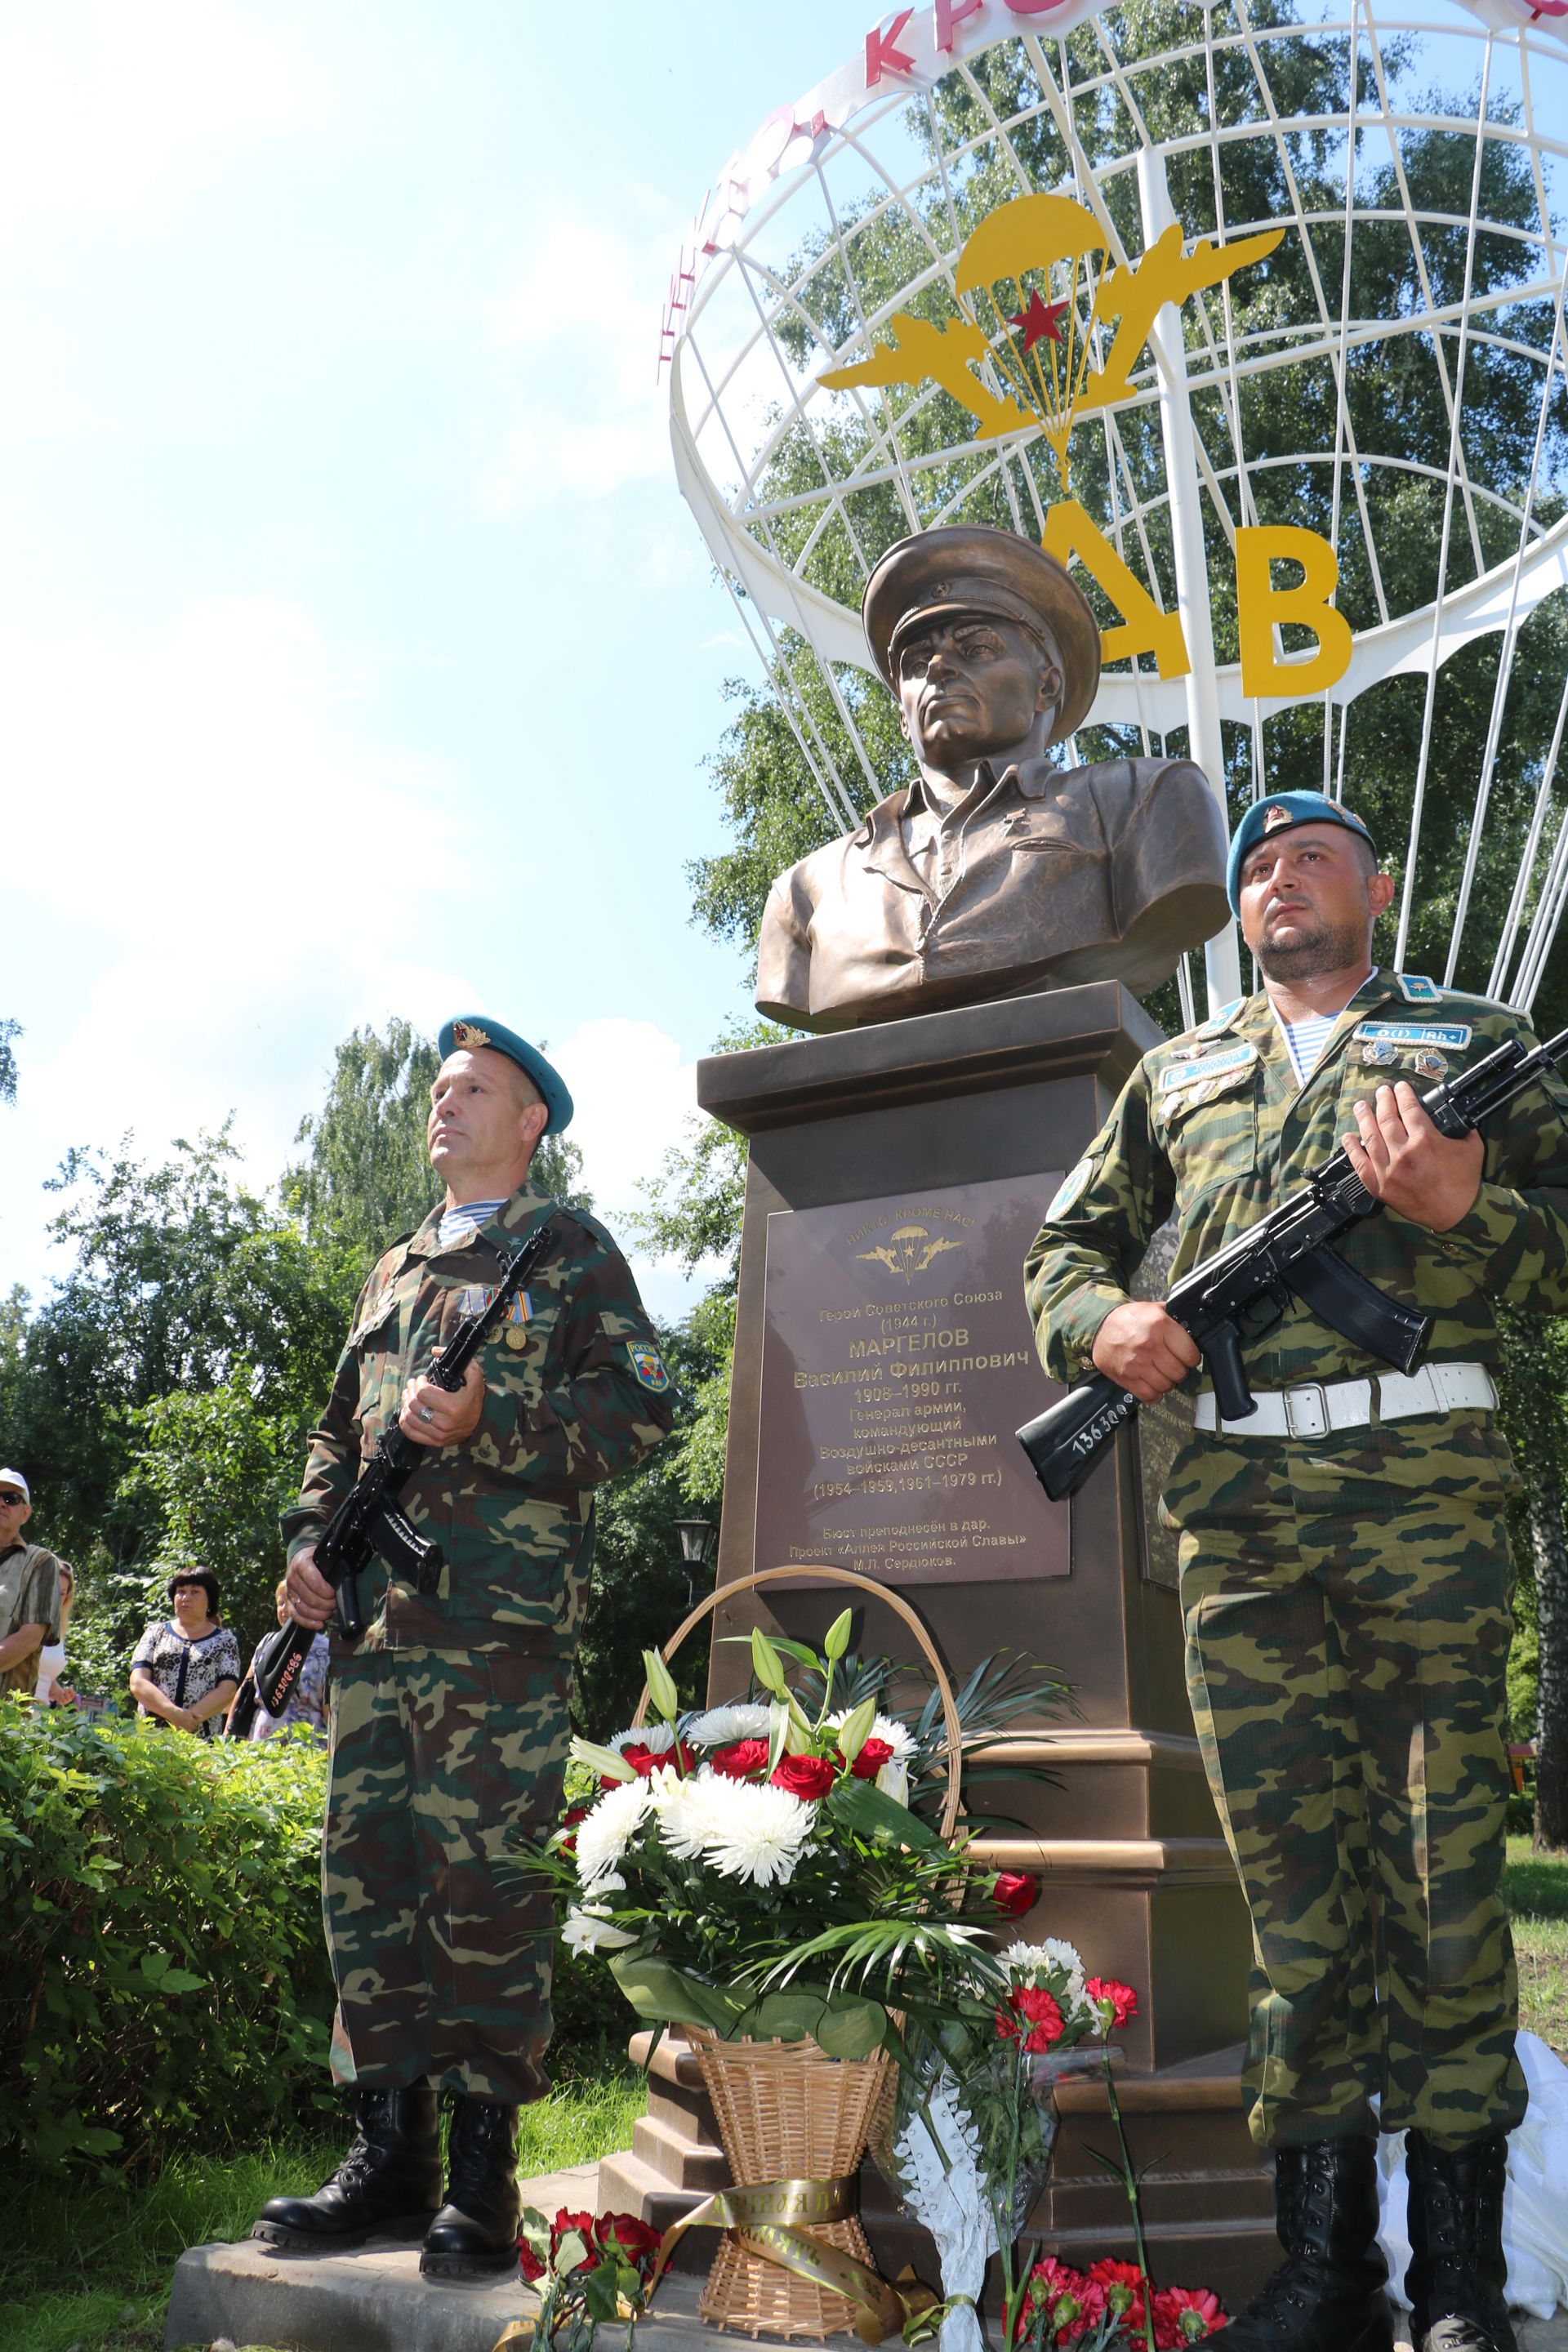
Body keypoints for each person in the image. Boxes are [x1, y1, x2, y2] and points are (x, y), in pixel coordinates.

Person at [1024, 791, 1568, 2352]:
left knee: (1448, 1891)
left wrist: (1467, 1214)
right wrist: (1101, 1330)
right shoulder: (1176, 1072)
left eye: (1309, 857)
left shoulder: (1471, 1040)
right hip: (1241, 1530)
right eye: (1255, 867)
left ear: (1377, 889)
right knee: (1297, 1910)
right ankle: (1327, 2274)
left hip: (1427, 1512)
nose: (1275, 882)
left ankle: (1456, 2286)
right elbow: (1066, 1250)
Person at [253, 1014, 676, 2281]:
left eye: (473, 1088)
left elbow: (648, 1409)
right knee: (369, 1885)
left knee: (484, 1890)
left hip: (498, 1632)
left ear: (531, 1118)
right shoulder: (392, 1270)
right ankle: (391, 2157)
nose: (445, 1104)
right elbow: (339, 1431)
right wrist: (310, 1546)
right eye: (439, 1087)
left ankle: (484, 2176)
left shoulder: (571, 1251)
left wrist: (499, 1420)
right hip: (379, 1629)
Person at [754, 523, 1229, 1031]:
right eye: (915, 663)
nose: (937, 668)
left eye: (976, 649)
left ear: (1046, 687)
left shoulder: (1145, 801)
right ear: (901, 713)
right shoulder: (806, 890)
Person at [128, 1570, 243, 1736]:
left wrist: (189, 1720)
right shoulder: (155, 1633)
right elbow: (138, 1683)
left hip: (201, 1743)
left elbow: (227, 1690)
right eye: (181, 1591)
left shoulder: (225, 1641)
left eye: (195, 1592)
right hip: (152, 1738)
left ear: (210, 1599)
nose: (185, 1598)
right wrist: (173, 1713)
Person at [238, 1578, 329, 1741]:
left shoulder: (325, 1649)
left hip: (307, 1745)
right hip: (262, 1741)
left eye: (292, 1602)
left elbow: (330, 1707)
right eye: (281, 1603)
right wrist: (227, 1737)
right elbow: (245, 1690)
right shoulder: (267, 1643)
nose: (284, 1609)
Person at [0, 1470, 65, 1700]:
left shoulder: (40, 1562)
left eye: (11, 1498)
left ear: (25, 1513)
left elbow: (29, 1639)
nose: (2, 1503)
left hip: (6, 1719)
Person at [33, 1559, 77, 1705]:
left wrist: (58, 1692)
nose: (55, 1598)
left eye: (62, 1593)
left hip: (39, 1715)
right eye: (51, 1590)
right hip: (11, 1710)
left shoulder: (57, 1630)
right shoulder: (18, 1620)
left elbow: (43, 1674)